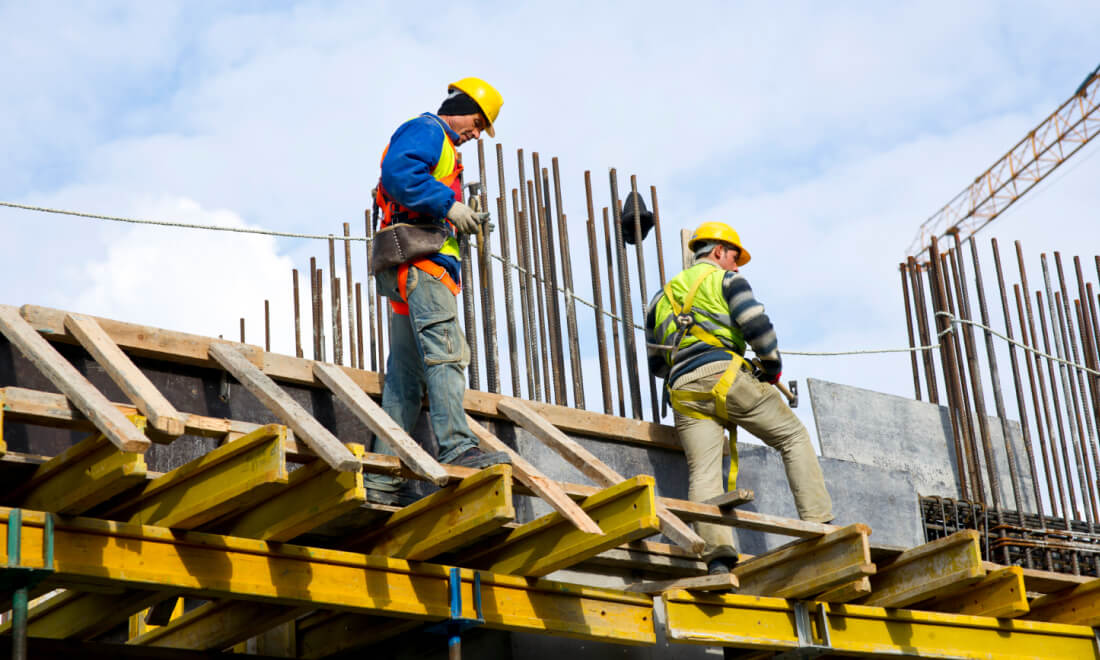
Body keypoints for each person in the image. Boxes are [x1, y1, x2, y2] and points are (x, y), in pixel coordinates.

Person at [645, 221, 833, 573]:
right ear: (718, 252)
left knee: (703, 472)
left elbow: (657, 363)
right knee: (792, 437)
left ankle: (717, 557)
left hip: (683, 390)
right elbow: (757, 326)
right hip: (726, 377)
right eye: (734, 257)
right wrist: (771, 367)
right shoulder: (726, 280)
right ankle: (820, 525)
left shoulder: (660, 298)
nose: (736, 265)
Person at [366, 78, 509, 505]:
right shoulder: (429, 130)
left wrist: (458, 215)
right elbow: (398, 175)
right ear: (460, 107)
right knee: (447, 354)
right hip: (423, 267)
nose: (477, 133)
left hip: (410, 269)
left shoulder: (445, 149)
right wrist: (448, 206)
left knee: (405, 380)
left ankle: (382, 478)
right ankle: (458, 447)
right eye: (478, 122)